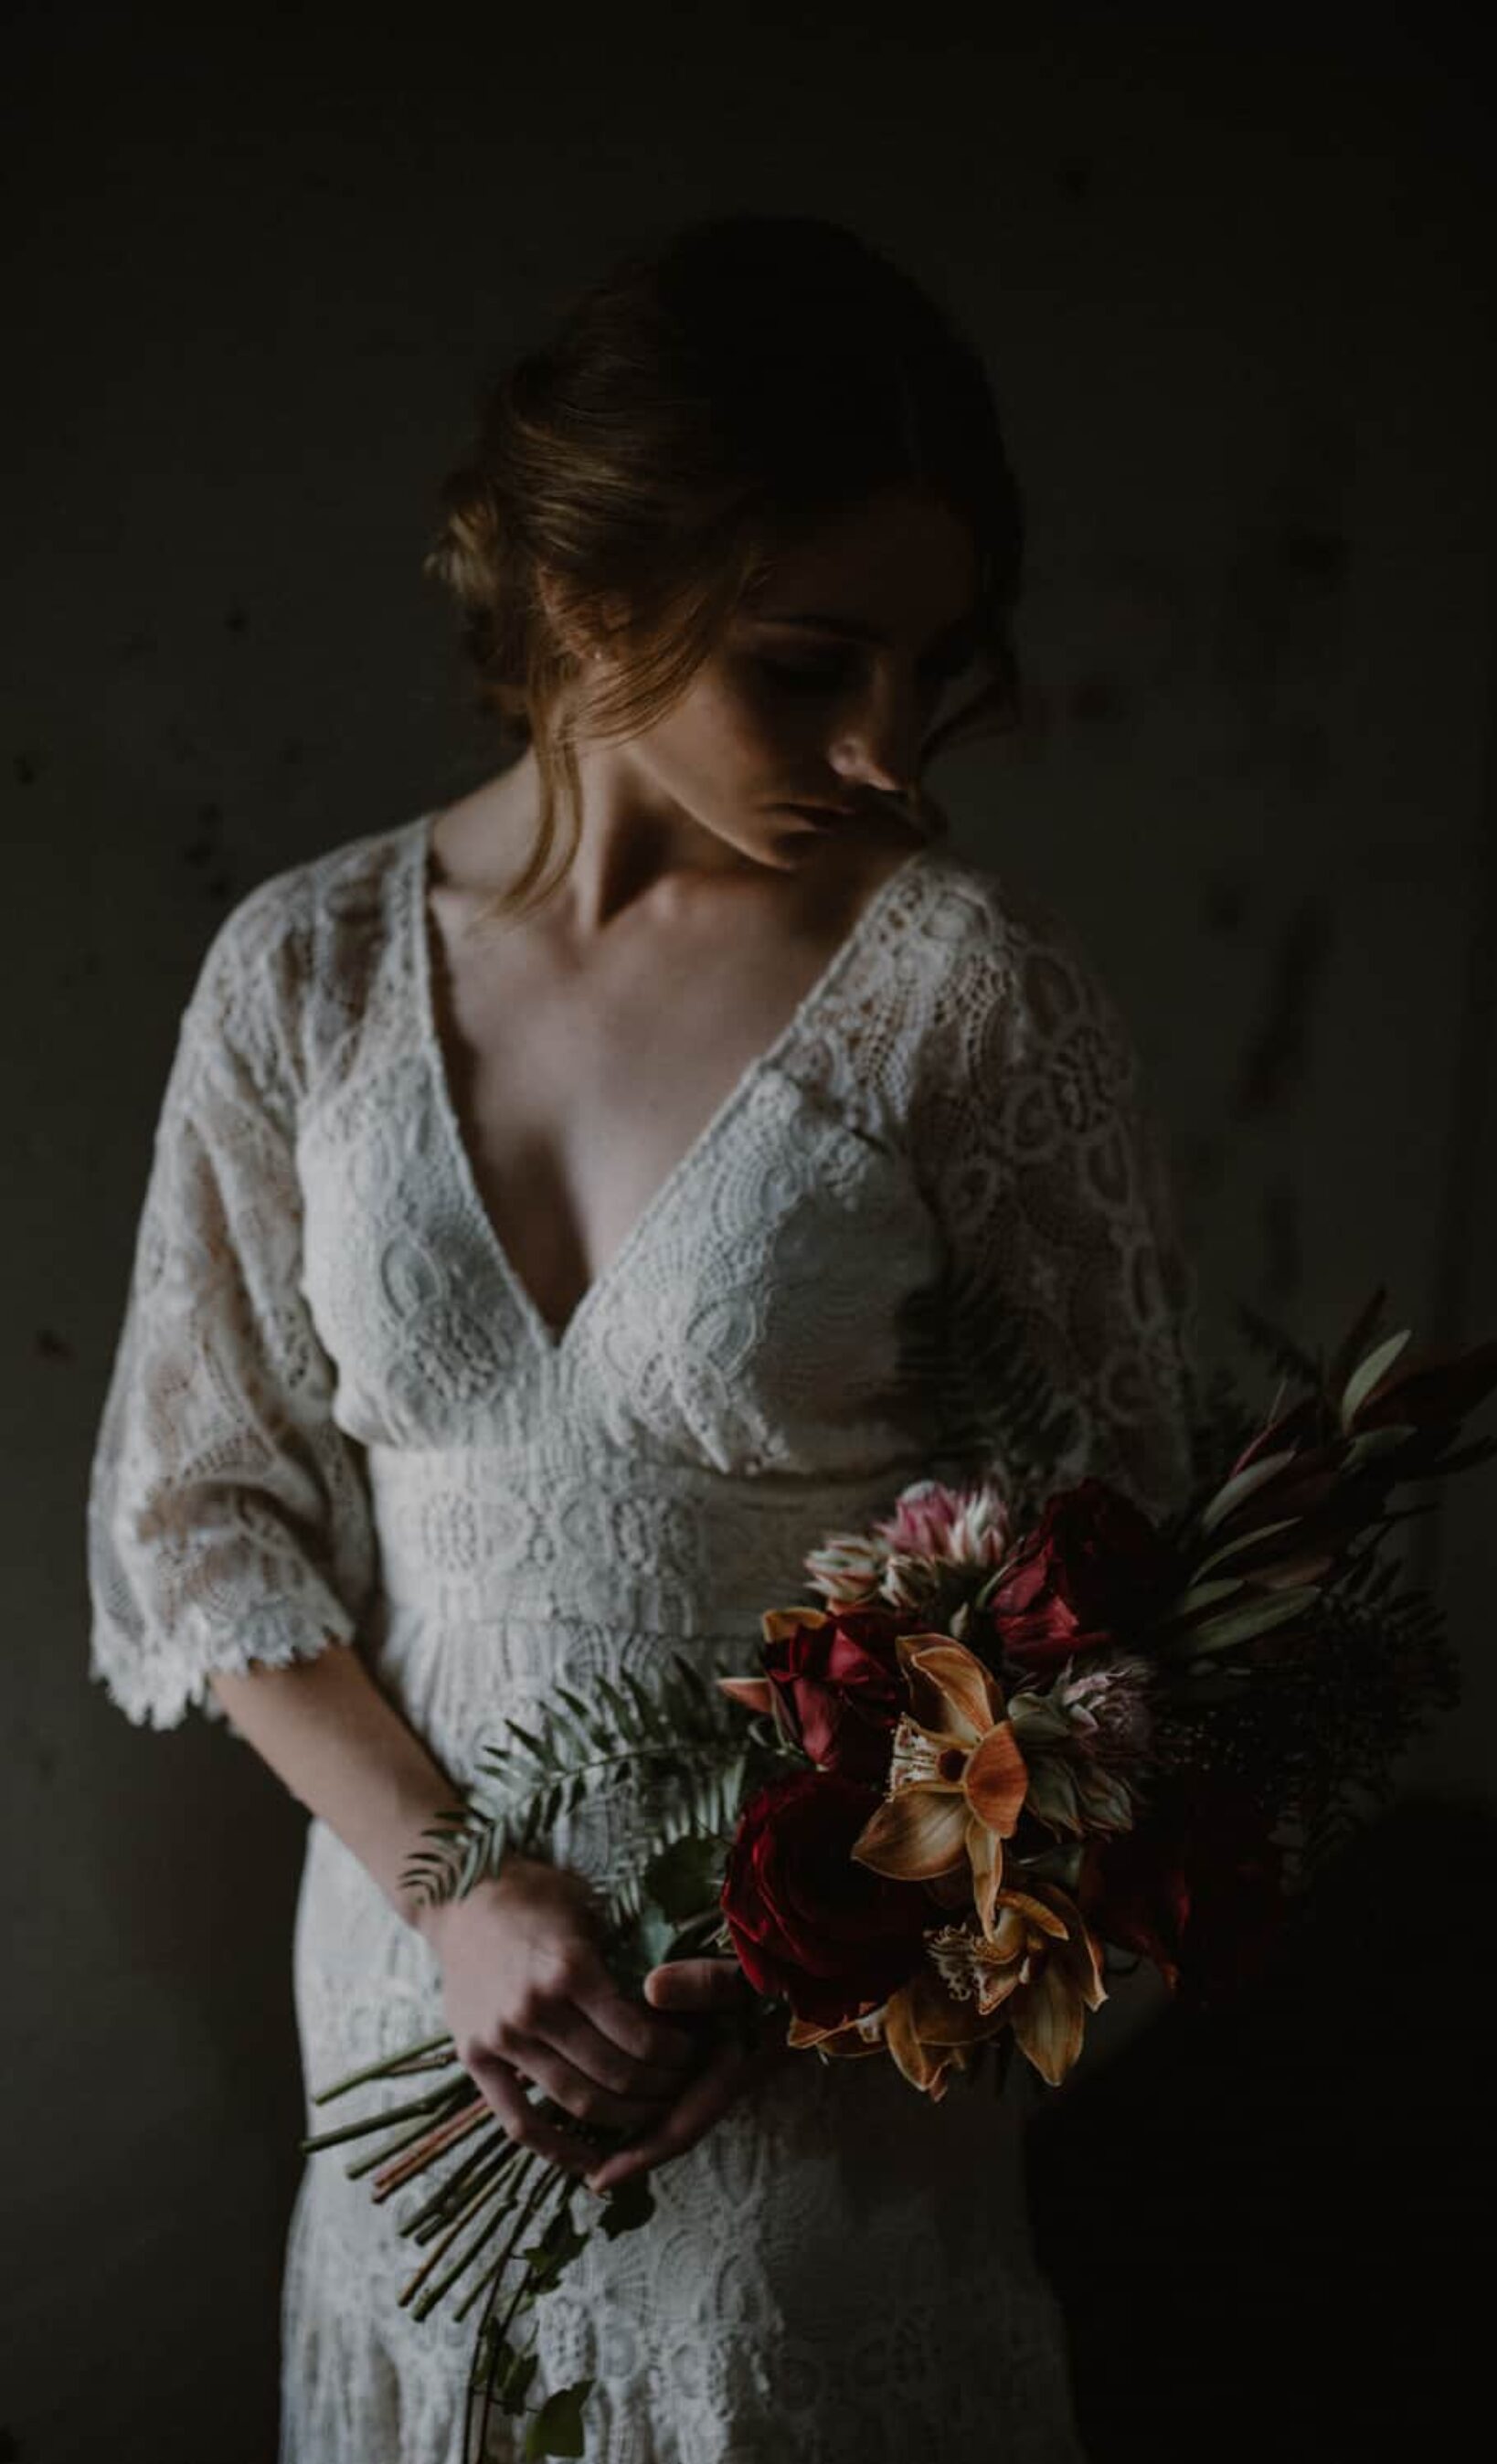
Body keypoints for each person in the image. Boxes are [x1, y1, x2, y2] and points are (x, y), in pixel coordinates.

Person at [87, 212, 1203, 2461]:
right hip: (427, 2034)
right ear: (593, 604)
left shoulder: (967, 995)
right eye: (811, 663)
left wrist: (825, 1959)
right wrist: (456, 1889)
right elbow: (204, 1518)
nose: (891, 747)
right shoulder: (299, 976)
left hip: (804, 2109)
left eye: (934, 663)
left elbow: (1132, 1585)